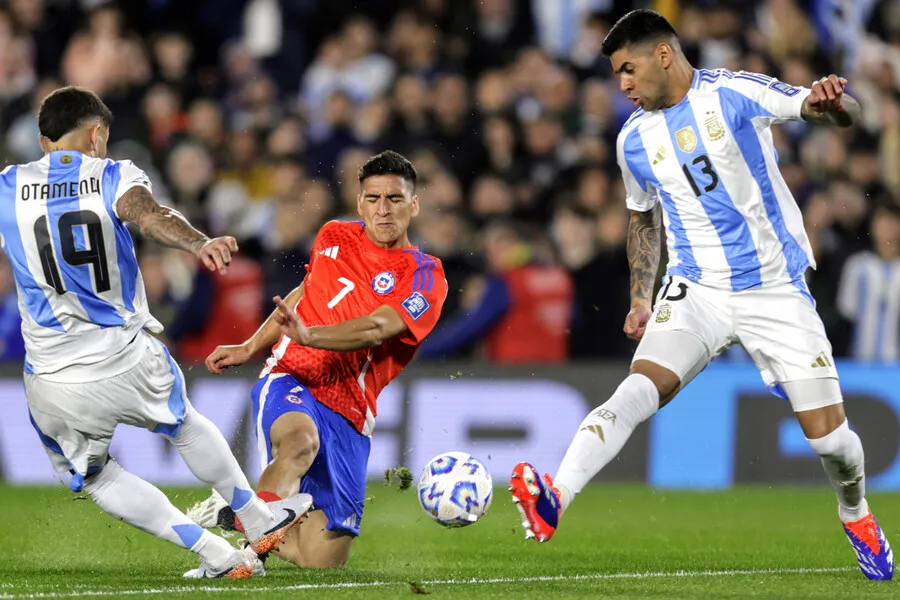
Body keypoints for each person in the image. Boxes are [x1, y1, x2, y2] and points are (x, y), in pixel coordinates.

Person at [509, 10, 894, 582]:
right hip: (696, 290)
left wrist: (834, 103)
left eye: (629, 69)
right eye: (617, 74)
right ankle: (555, 497)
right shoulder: (633, 139)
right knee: (637, 390)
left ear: (664, 55)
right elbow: (642, 217)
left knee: (833, 444)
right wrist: (641, 298)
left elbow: (833, 112)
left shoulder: (733, 93)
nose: (623, 84)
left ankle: (855, 514)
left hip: (774, 290)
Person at [0, 86, 311, 579]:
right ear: (96, 135)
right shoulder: (110, 173)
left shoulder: (7, 185)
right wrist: (199, 243)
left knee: (99, 478)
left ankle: (215, 554)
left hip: (52, 380)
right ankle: (256, 517)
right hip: (125, 356)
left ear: (43, 143)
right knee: (183, 424)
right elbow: (149, 216)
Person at [188, 150, 448, 569]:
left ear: (414, 205)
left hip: (351, 408)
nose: (383, 209)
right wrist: (252, 346)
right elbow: (303, 294)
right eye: (373, 198)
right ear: (360, 203)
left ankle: (238, 512)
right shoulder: (333, 235)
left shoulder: (425, 275)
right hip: (294, 374)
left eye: (395, 199)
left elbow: (378, 327)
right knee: (299, 443)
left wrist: (312, 334)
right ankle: (242, 561)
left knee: (320, 562)